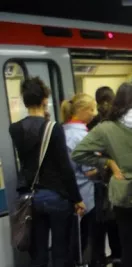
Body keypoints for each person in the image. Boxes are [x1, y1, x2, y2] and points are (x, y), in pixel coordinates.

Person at [72, 83, 132, 267]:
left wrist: (107, 162)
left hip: (123, 195)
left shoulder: (105, 128)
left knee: (127, 248)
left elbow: (78, 153)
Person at [9, 77, 85, 267]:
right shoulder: (54, 128)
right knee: (60, 251)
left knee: (39, 253)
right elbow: (64, 167)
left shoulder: (15, 129)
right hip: (56, 196)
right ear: (44, 100)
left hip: (30, 197)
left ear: (25, 101)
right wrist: (77, 198)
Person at [61, 93, 99, 266]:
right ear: (81, 110)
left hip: (66, 194)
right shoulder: (82, 137)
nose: (94, 113)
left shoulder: (62, 131)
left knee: (68, 241)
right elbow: (89, 171)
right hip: (84, 195)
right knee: (81, 241)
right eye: (91, 109)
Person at [87, 87, 122, 267]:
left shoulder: (91, 124)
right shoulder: (118, 121)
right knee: (116, 222)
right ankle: (118, 257)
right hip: (115, 178)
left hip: (97, 180)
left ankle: (98, 259)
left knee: (99, 224)